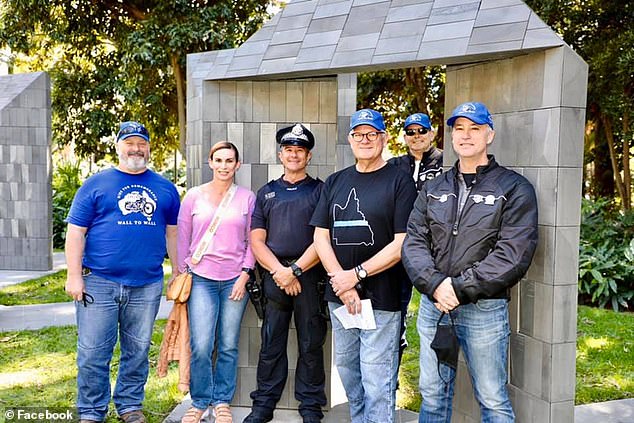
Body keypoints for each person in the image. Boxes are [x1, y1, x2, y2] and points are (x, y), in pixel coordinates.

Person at [401, 101, 538, 423]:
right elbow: (414, 242)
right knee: (433, 394)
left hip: (484, 310)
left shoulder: (514, 187)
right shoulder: (434, 188)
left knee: (492, 398)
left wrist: (459, 288)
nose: (466, 135)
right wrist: (435, 285)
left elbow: (513, 253)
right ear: (451, 136)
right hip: (434, 306)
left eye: (474, 128)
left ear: (489, 135)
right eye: (459, 128)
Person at [64, 121, 181, 423]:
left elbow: (173, 234)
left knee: (137, 351)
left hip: (147, 285)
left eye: (141, 143)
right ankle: (91, 411)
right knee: (93, 352)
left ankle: (130, 405)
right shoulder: (95, 184)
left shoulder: (165, 188)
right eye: (130, 143)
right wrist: (74, 276)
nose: (136, 148)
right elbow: (76, 233)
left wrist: (178, 272)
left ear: (149, 147)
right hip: (98, 282)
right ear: (118, 147)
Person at [310, 109, 418, 422]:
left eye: (372, 134)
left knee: (377, 378)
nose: (365, 140)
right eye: (359, 134)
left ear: (383, 139)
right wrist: (341, 283)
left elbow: (401, 243)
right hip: (340, 297)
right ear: (350, 139)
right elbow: (320, 236)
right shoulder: (336, 181)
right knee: (348, 370)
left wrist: (355, 276)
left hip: (382, 298)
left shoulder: (400, 182)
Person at [244, 124, 327, 423]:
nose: (294, 155)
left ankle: (310, 406)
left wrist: (295, 270)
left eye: (300, 150)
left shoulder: (320, 191)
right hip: (273, 274)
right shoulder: (265, 193)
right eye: (289, 150)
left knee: (311, 342)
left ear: (308, 155)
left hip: (309, 275)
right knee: (271, 344)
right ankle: (263, 405)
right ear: (280, 154)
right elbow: (256, 241)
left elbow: (323, 238)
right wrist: (281, 272)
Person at [177, 141, 256, 423]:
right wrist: (181, 274)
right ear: (210, 163)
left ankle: (222, 401)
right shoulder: (193, 197)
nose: (223, 166)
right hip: (201, 280)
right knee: (200, 344)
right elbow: (183, 240)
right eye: (218, 160)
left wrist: (246, 274)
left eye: (229, 161)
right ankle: (199, 402)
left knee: (228, 344)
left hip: (235, 279)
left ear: (237, 165)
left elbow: (253, 240)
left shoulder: (247, 198)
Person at [388, 112, 444, 377]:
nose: (416, 136)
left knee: (436, 315)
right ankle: (392, 378)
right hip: (399, 248)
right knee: (395, 313)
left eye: (422, 130)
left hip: (435, 252)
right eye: (410, 131)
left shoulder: (446, 161)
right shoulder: (394, 165)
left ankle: (437, 380)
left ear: (432, 133)